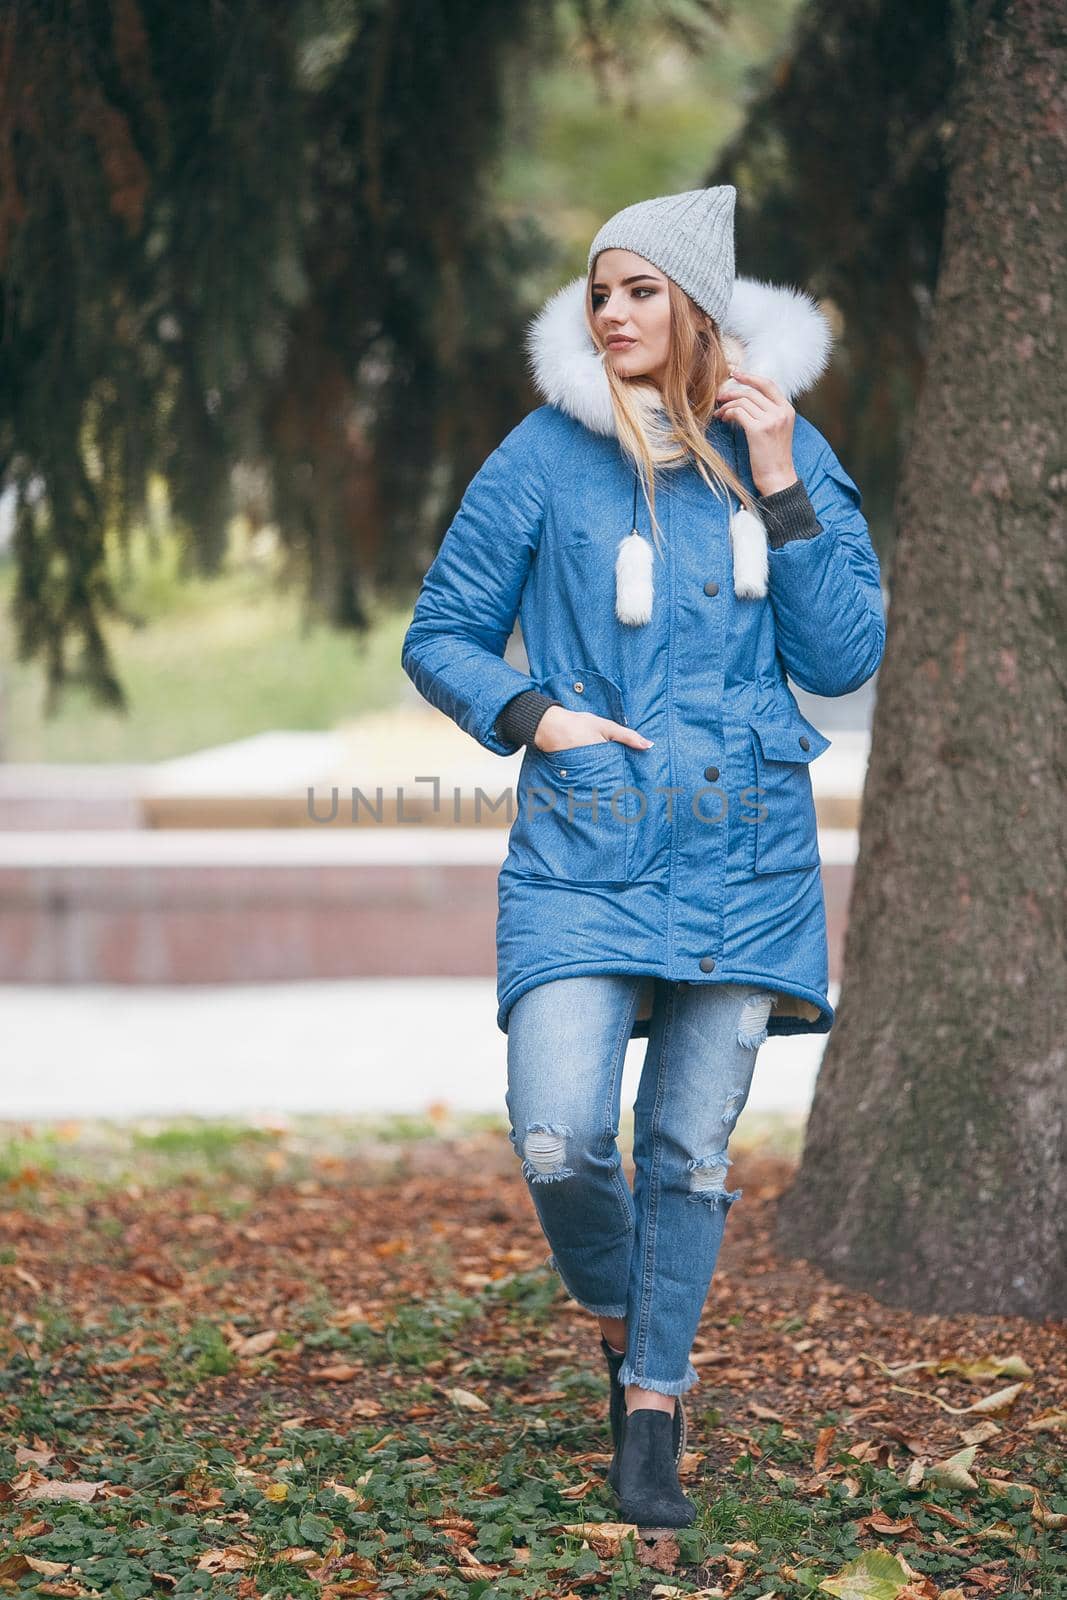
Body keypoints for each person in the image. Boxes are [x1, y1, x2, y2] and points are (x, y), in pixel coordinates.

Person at [401, 185, 886, 1527]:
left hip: (746, 854)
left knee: (686, 1150)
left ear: (698, 310)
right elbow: (440, 632)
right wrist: (537, 714)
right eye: (598, 290)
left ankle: (655, 1411)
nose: (609, 312)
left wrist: (782, 482)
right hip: (585, 846)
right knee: (559, 1136)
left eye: (640, 290)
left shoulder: (782, 444)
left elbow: (844, 655)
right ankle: (625, 1320)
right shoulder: (544, 456)